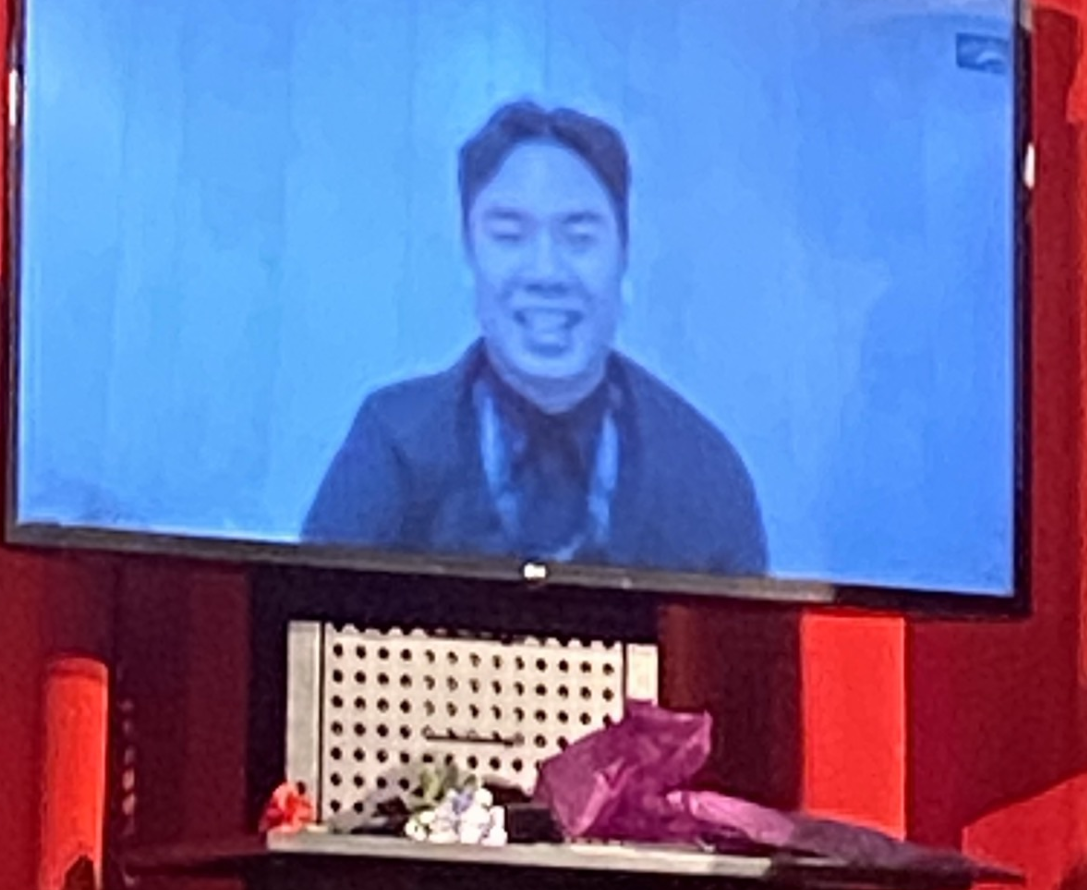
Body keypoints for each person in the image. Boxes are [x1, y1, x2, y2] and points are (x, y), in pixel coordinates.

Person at [305, 101, 767, 575]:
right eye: (509, 236)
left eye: (579, 238)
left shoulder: (701, 471)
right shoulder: (395, 444)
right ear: (470, 258)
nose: (546, 273)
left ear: (623, 260)